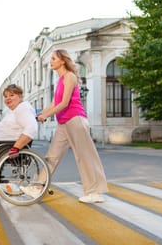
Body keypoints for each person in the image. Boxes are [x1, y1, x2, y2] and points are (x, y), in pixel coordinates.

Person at [36, 49, 108, 203]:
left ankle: (94, 192)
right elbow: (55, 103)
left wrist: (46, 116)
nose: (51, 61)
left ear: (62, 61)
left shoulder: (69, 76)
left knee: (84, 156)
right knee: (52, 156)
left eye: (54, 58)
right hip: (64, 123)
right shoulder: (60, 80)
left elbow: (64, 103)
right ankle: (37, 186)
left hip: (75, 120)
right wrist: (40, 113)